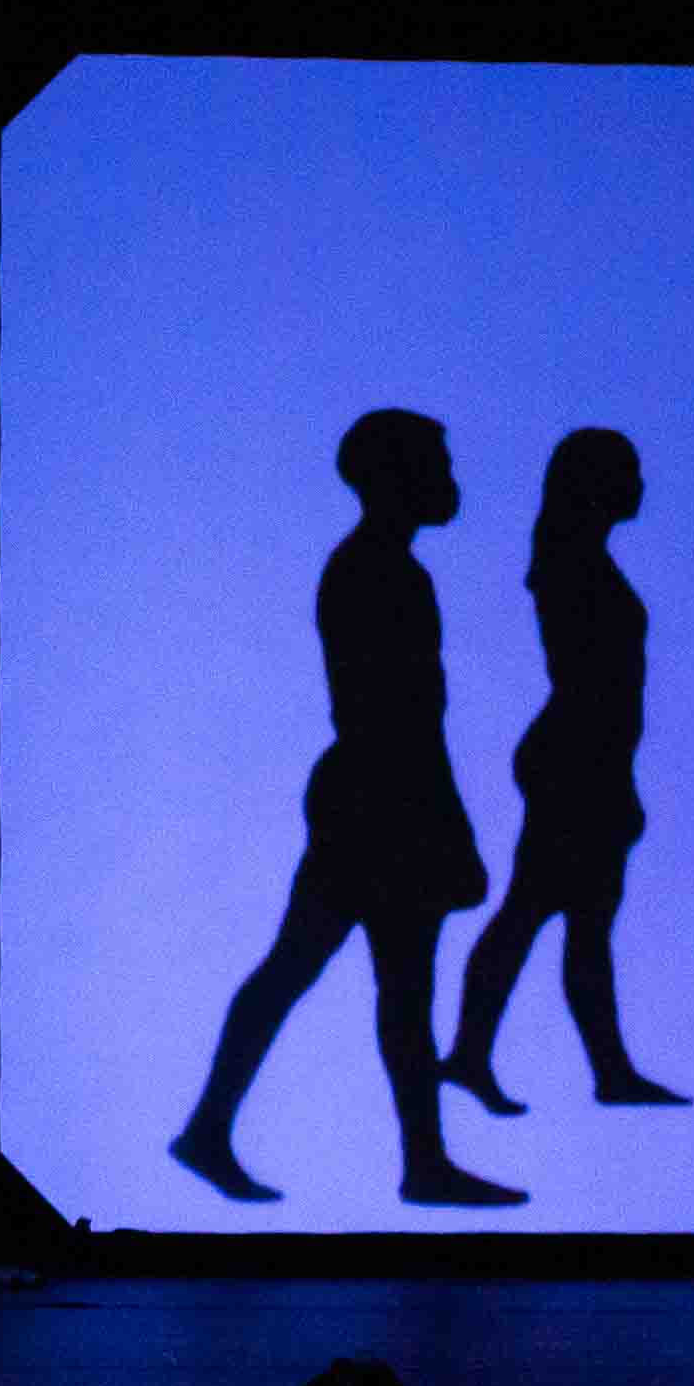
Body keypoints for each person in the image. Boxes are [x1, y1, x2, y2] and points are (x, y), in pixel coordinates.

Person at [170, 409, 522, 1207]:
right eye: (437, 461)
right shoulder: (377, 572)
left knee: (351, 979)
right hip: (382, 799)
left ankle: (404, 1157)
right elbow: (399, 716)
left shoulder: (385, 569)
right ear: (398, 476)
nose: (450, 478)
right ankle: (411, 1160)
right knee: (351, 979)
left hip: (377, 796)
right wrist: (442, 823)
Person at [440, 428, 688, 1114]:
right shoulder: (571, 561)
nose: (641, 483)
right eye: (629, 470)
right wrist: (606, 777)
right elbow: (595, 685)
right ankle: (477, 1053)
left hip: (592, 762)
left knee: (575, 921)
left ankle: (603, 1068)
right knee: (533, 911)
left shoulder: (580, 560)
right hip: (579, 760)